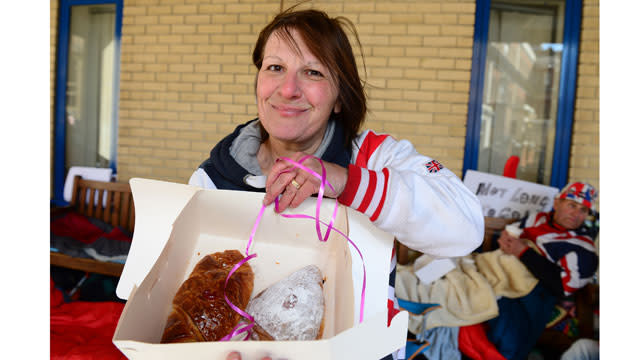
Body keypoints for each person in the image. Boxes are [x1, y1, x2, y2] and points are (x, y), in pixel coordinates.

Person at [189, 6, 484, 360]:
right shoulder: (211, 178)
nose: (288, 89)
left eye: (312, 72)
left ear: (341, 96)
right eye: (275, 68)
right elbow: (192, 304)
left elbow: (466, 229)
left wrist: (347, 182)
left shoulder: (375, 157)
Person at [487, 182, 599, 360]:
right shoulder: (536, 219)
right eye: (572, 205)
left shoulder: (584, 249)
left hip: (537, 293)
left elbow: (563, 287)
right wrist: (504, 241)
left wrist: (522, 252)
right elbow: (507, 239)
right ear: (556, 204)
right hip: (499, 271)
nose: (576, 214)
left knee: (506, 322)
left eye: (583, 210)